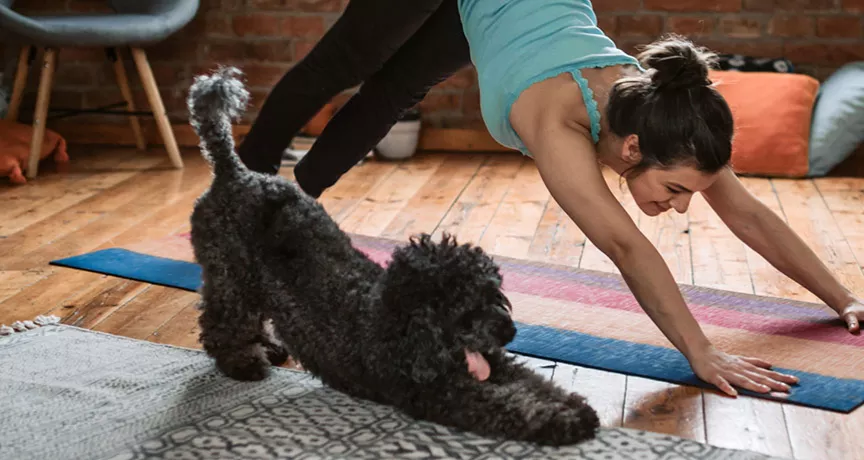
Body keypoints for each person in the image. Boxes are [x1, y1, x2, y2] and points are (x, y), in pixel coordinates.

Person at [236, 0, 864, 397]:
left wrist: (843, 298)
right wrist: (700, 351)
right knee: (340, 66)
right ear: (631, 150)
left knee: (394, 89)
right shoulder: (560, 127)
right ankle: (245, 190)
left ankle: (295, 199)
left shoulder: (670, 119)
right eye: (675, 192)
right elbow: (625, 245)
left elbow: (747, 211)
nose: (682, 207)